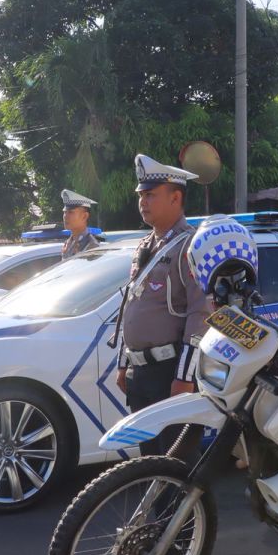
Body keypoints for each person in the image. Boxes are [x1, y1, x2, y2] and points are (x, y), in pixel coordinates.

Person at [114, 154, 211, 463]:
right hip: (140, 372)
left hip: (169, 373)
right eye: (141, 195)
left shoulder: (189, 246)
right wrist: (123, 363)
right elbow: (131, 302)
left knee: (177, 461)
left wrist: (183, 376)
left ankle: (188, 513)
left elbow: (201, 314)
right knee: (149, 462)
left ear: (176, 197)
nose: (143, 201)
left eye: (151, 195)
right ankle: (161, 514)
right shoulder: (145, 245)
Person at [60, 189, 99, 258]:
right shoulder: (68, 242)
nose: (65, 216)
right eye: (65, 212)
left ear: (84, 216)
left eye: (70, 212)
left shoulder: (91, 246)